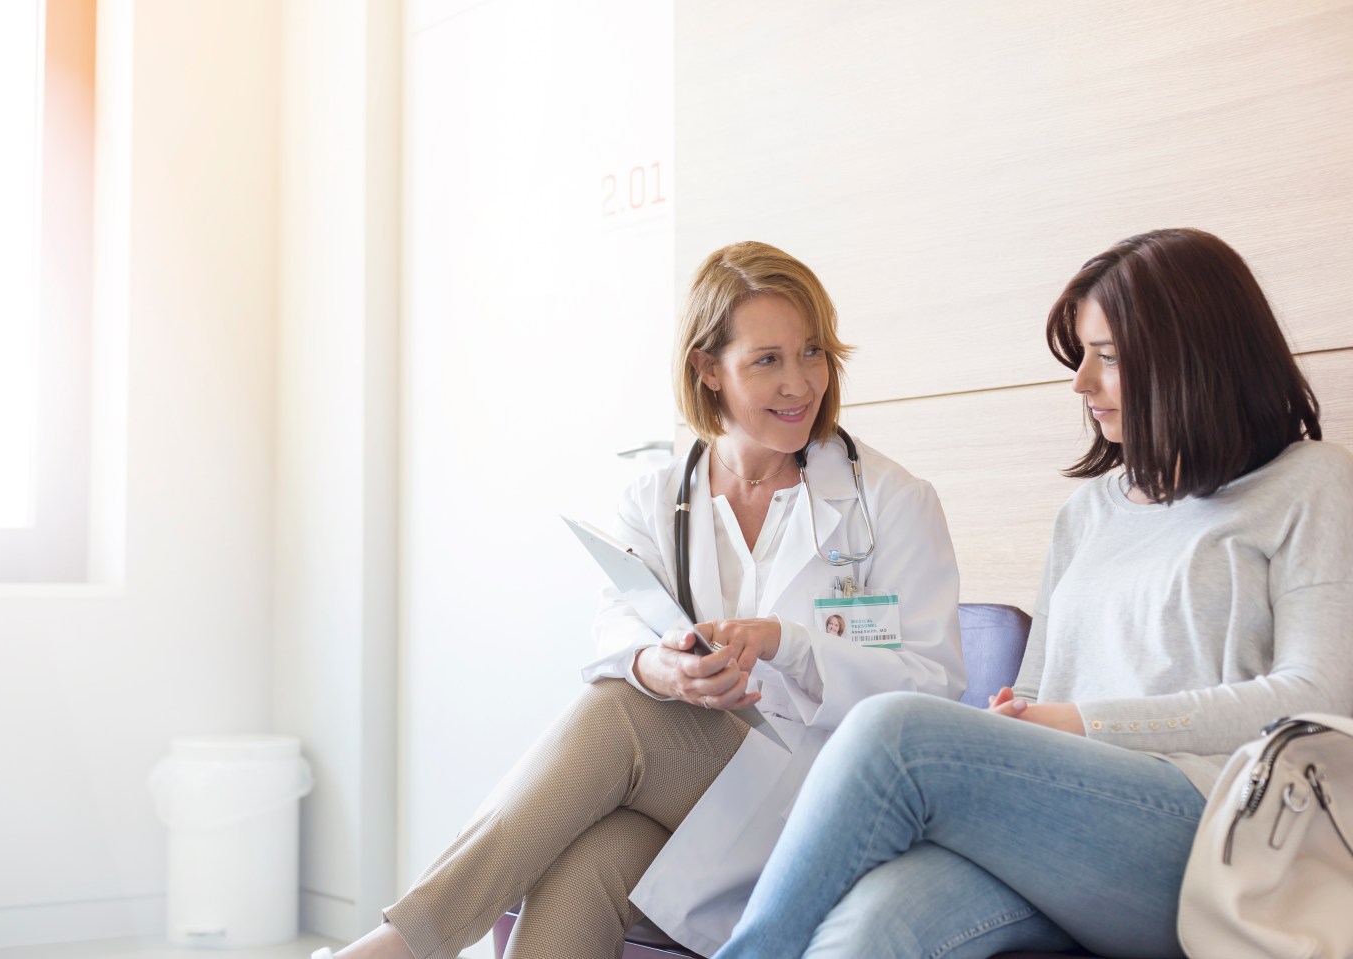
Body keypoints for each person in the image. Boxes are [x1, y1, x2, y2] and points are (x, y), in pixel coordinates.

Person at [712, 228, 1353, 959]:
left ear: (1196, 356)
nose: (1081, 383)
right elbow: (1042, 688)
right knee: (874, 925)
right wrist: (1024, 718)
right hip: (1066, 827)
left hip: (1213, 827)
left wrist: (1082, 722)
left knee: (894, 733)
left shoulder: (1312, 483)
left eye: (1108, 358)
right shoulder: (1087, 514)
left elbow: (1315, 699)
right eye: (1081, 356)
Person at [319, 241, 963, 959]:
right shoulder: (656, 499)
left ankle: (407, 942)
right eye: (768, 360)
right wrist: (663, 667)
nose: (800, 382)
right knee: (591, 856)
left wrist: (789, 641)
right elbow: (618, 633)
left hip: (834, 800)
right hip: (707, 805)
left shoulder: (894, 503)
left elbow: (934, 691)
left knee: (620, 711)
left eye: (811, 352)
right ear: (706, 368)